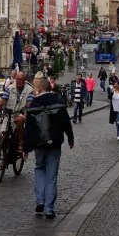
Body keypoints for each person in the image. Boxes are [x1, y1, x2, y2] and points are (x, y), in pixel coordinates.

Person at [24, 76, 74, 220]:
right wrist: (70, 138)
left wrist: (26, 148)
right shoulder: (58, 101)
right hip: (55, 142)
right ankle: (49, 209)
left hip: (39, 143)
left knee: (39, 169)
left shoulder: (34, 103)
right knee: (51, 176)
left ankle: (40, 200)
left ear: (39, 89)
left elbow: (29, 128)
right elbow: (66, 122)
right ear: (50, 88)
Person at [0, 70, 33, 152]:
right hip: (10, 113)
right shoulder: (10, 88)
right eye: (17, 79)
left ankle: (20, 142)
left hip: (21, 113)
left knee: (20, 120)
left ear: (24, 80)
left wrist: (27, 112)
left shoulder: (29, 90)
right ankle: (4, 156)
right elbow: (4, 99)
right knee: (3, 135)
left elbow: (29, 104)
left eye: (21, 79)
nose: (19, 81)